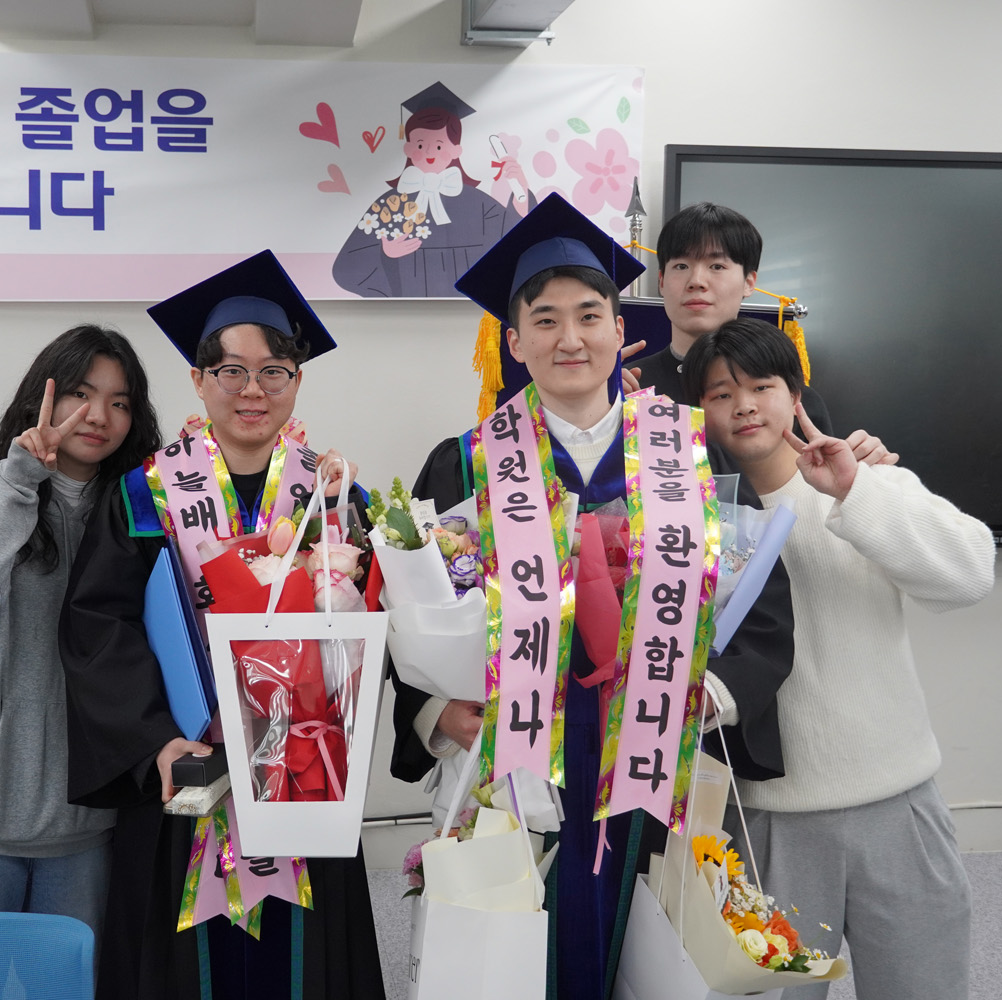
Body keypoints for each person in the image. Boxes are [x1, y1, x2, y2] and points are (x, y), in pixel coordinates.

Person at [390, 194, 799, 999]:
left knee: (651, 955)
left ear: (620, 327)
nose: (569, 339)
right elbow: (411, 604)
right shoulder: (465, 462)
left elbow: (761, 601)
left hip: (649, 749)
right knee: (507, 956)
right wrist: (435, 713)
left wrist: (709, 694)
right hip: (512, 760)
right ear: (514, 341)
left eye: (588, 316)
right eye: (544, 321)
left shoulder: (686, 448)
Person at [59, 250, 384, 1000]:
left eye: (274, 371)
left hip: (304, 776)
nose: (252, 389)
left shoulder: (334, 497)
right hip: (187, 774)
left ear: (297, 381)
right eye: (230, 370)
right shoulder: (145, 494)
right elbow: (99, 627)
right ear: (198, 379)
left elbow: (369, 630)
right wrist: (155, 740)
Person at [683, 317, 993, 1000]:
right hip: (762, 823)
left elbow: (971, 575)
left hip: (897, 806)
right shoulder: (686, 526)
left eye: (762, 387)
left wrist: (857, 491)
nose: (744, 406)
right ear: (699, 412)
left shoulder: (866, 481)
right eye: (720, 394)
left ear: (795, 396)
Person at [0, 326, 159, 944]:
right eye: (80, 394)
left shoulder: (146, 514)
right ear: (41, 398)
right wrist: (18, 480)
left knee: (68, 985)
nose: (99, 416)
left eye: (120, 402)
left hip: (85, 822)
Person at [629, 200, 896, 467]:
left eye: (717, 266)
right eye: (681, 266)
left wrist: (865, 467)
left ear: (749, 282)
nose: (696, 281)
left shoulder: (791, 400)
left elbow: (820, 482)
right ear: (661, 281)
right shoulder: (628, 388)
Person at [333, 81, 535, 297]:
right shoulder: (390, 206)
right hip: (407, 312)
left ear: (456, 150)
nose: (429, 152)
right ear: (408, 148)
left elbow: (517, 242)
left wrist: (521, 192)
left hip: (467, 310)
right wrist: (385, 254)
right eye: (420, 144)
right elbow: (345, 268)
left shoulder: (477, 203)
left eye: (439, 145)